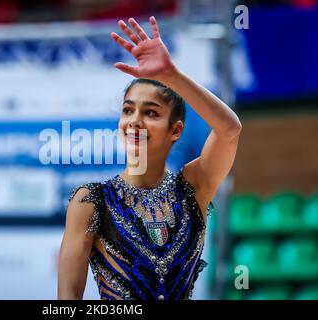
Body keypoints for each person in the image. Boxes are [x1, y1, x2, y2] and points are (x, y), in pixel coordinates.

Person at [57, 16, 242, 300]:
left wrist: (172, 76)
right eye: (128, 110)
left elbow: (230, 130)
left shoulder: (193, 187)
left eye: (151, 113)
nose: (134, 121)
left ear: (176, 130)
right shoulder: (91, 201)